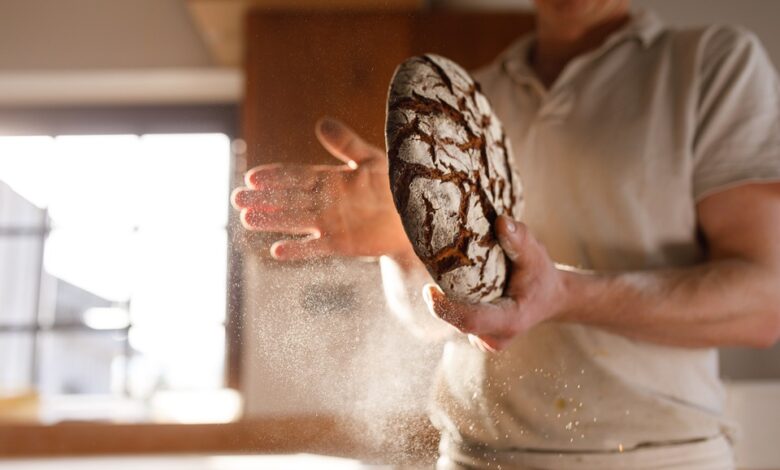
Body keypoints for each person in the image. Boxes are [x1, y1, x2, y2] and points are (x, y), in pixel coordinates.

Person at [232, 0, 780, 468]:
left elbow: (763, 305)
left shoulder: (710, 65)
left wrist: (563, 295)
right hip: (473, 455)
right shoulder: (469, 99)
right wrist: (404, 243)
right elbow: (439, 323)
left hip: (656, 457)